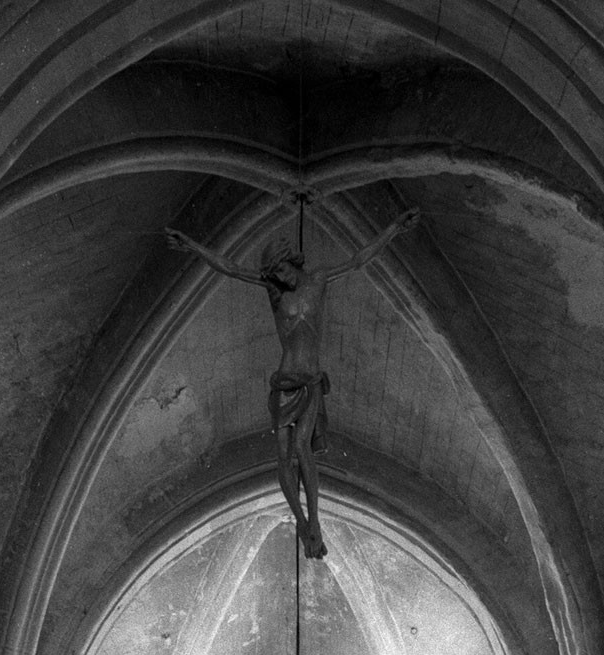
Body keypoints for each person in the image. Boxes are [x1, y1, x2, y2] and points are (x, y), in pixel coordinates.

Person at [166, 206, 420, 558]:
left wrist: (393, 227)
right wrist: (193, 246)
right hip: (283, 383)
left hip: (310, 382)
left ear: (293, 261)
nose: (280, 278)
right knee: (283, 458)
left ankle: (314, 519)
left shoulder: (318, 281)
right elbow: (231, 268)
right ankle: (301, 521)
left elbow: (358, 260)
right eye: (274, 274)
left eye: (282, 270)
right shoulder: (275, 294)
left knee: (302, 447)